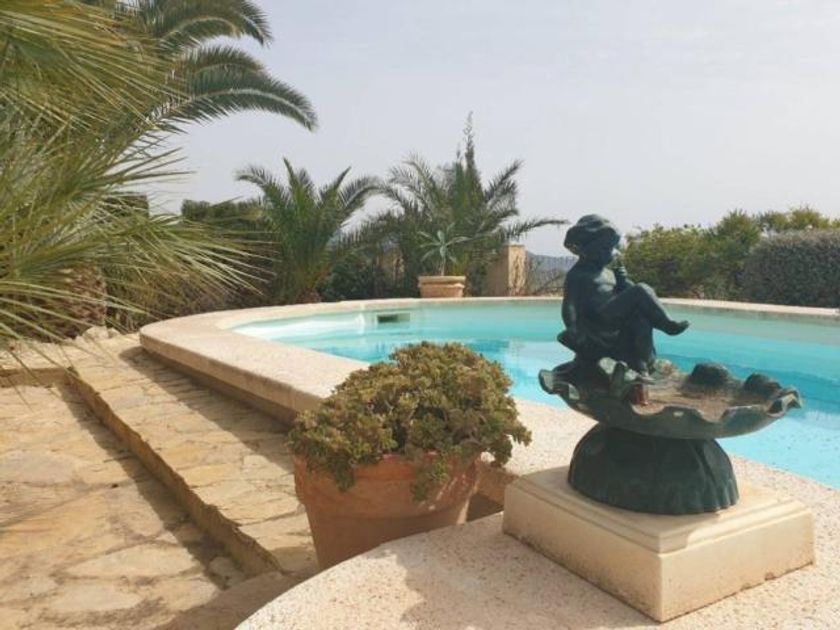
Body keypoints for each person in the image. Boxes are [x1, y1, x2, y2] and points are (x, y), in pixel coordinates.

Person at [559, 214, 689, 374]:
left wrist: (623, 281)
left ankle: (642, 364)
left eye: (610, 248)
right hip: (598, 319)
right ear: (585, 249)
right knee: (640, 289)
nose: (609, 253)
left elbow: (627, 295)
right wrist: (572, 328)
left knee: (641, 319)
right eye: (603, 248)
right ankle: (667, 324)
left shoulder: (609, 273)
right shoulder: (578, 274)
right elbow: (569, 304)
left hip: (615, 318)